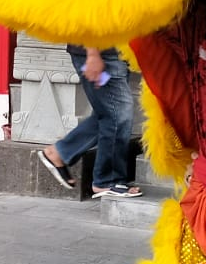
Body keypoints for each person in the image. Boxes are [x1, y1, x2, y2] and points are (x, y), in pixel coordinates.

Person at [38, 45, 142, 199]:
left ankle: (59, 152)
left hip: (114, 53)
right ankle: (107, 180)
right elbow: (88, 20)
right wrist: (93, 54)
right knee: (118, 115)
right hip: (102, 53)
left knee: (110, 113)